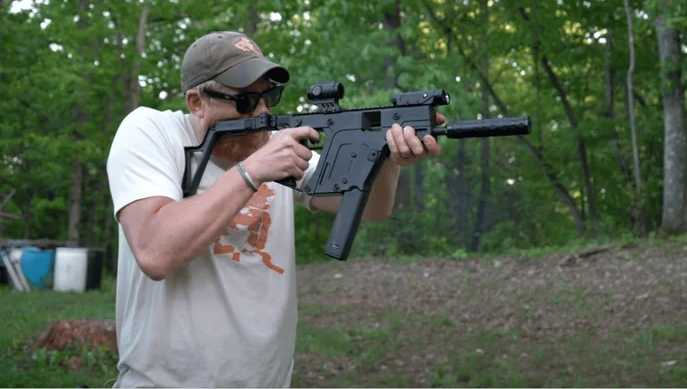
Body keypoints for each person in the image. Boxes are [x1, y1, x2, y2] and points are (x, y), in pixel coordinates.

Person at [106, 31, 445, 387]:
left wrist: (386, 156)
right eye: (245, 101)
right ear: (196, 102)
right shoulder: (152, 132)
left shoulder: (277, 147)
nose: (263, 112)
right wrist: (252, 171)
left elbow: (371, 207)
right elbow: (154, 251)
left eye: (269, 96)